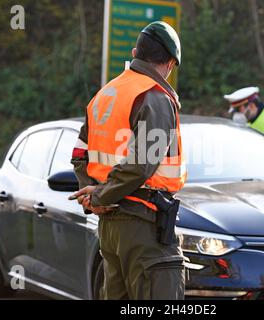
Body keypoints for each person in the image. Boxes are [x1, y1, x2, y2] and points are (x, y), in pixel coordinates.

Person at [69, 21, 186, 300]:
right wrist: (100, 196)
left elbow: (79, 155)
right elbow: (142, 164)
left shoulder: (104, 94)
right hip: (143, 225)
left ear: (136, 52)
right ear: (170, 62)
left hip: (110, 228)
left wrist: (93, 193)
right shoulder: (154, 96)